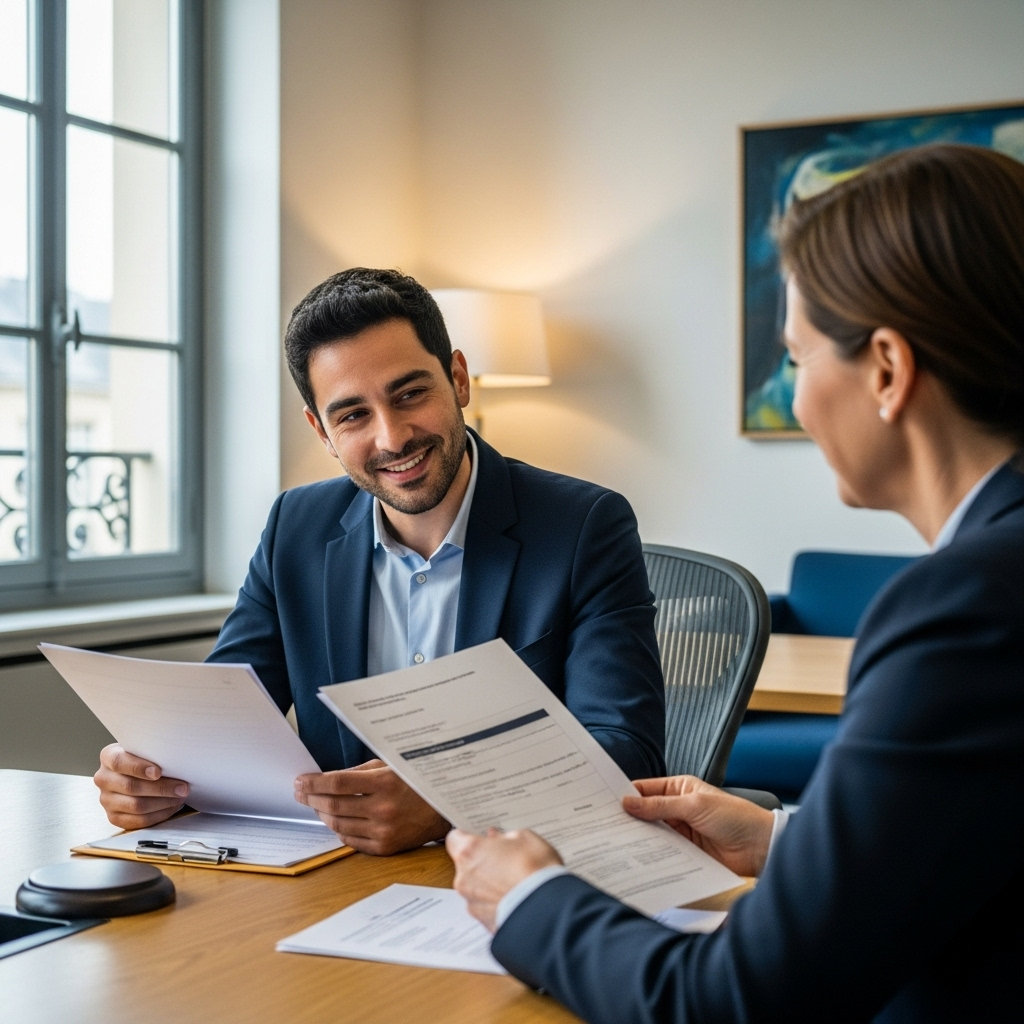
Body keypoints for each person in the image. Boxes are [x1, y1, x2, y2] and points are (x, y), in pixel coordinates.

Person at [447, 143, 1024, 1022]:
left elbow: (736, 1002)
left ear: (886, 371)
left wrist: (530, 900)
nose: (793, 397)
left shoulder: (961, 608)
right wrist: (784, 838)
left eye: (795, 360)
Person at [93, 268, 666, 855]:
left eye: (410, 393)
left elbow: (625, 748)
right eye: (352, 415)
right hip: (336, 881)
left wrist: (447, 803)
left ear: (459, 379)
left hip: (523, 879)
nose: (392, 438)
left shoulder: (584, 525)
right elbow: (220, 724)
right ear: (322, 430)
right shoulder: (295, 527)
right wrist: (150, 775)